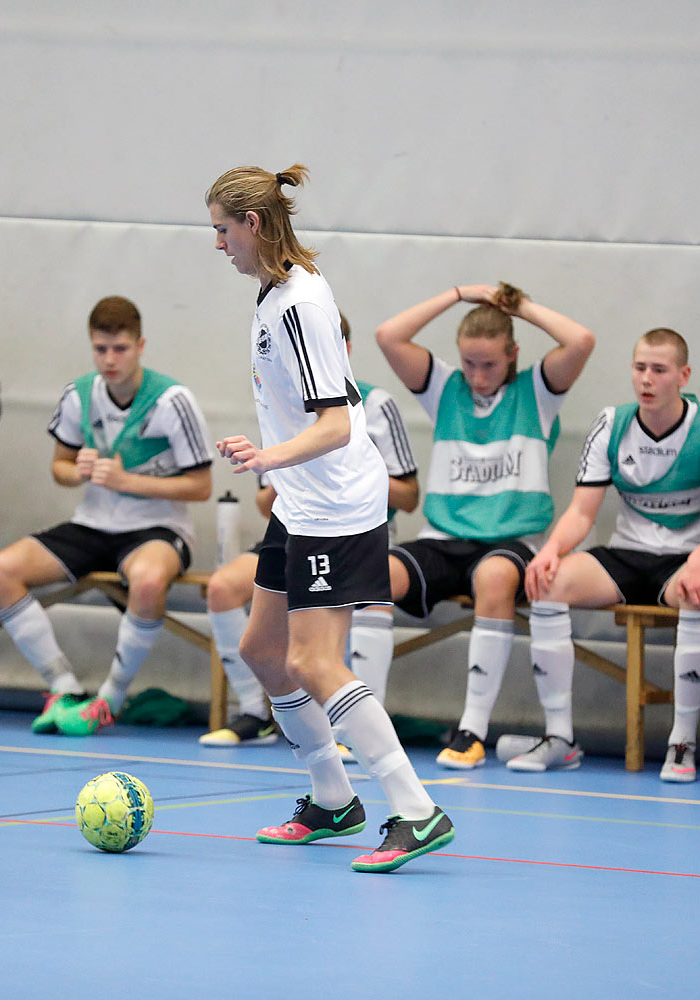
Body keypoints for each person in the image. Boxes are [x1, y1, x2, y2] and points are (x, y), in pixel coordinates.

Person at [208, 163, 454, 874]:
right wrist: (274, 461)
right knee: (262, 649)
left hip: (336, 507)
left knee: (313, 661)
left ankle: (415, 809)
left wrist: (267, 456)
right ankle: (332, 800)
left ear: (253, 225)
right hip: (302, 499)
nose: (218, 243)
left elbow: (339, 425)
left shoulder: (302, 304)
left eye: (223, 230)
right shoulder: (273, 294)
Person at [371, 280, 596, 771]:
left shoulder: (536, 393)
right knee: (375, 576)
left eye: (489, 364)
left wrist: (520, 306)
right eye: (468, 363)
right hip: (445, 539)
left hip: (512, 543)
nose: (476, 375)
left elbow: (580, 340)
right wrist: (455, 295)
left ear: (512, 355)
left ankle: (471, 728)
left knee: (493, 576)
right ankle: (363, 726)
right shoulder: (443, 389)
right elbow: (389, 335)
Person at [0, 296, 212, 736]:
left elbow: (201, 486)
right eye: (100, 349)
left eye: (120, 349)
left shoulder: (172, 401)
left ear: (140, 345)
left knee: (147, 581)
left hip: (157, 529)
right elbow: (60, 468)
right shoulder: (79, 395)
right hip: (93, 523)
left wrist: (131, 482)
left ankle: (112, 697)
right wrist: (77, 471)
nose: (110, 359)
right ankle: (64, 686)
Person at [525, 329, 700, 780]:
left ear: (682, 375)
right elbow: (582, 513)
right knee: (546, 582)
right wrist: (550, 549)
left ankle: (682, 742)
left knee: (698, 592)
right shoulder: (612, 424)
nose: (646, 379)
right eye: (639, 367)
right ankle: (560, 736)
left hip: (689, 557)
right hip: (628, 554)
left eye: (659, 370)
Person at [200, 314, 419, 747]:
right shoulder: (281, 398)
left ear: (341, 353)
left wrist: (352, 470)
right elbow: (267, 499)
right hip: (292, 524)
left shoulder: (374, 406)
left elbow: (409, 496)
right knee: (227, 594)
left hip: (353, 531)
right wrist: (274, 464)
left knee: (341, 629)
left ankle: (357, 735)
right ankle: (254, 712)